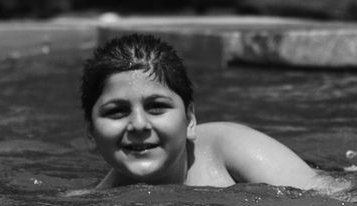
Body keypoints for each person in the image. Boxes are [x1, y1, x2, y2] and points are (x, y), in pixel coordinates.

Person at [81, 32, 342, 191]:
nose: (138, 124)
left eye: (156, 107)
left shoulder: (228, 148)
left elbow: (333, 196)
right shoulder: (93, 204)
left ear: (191, 120)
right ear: (91, 133)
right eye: (116, 112)